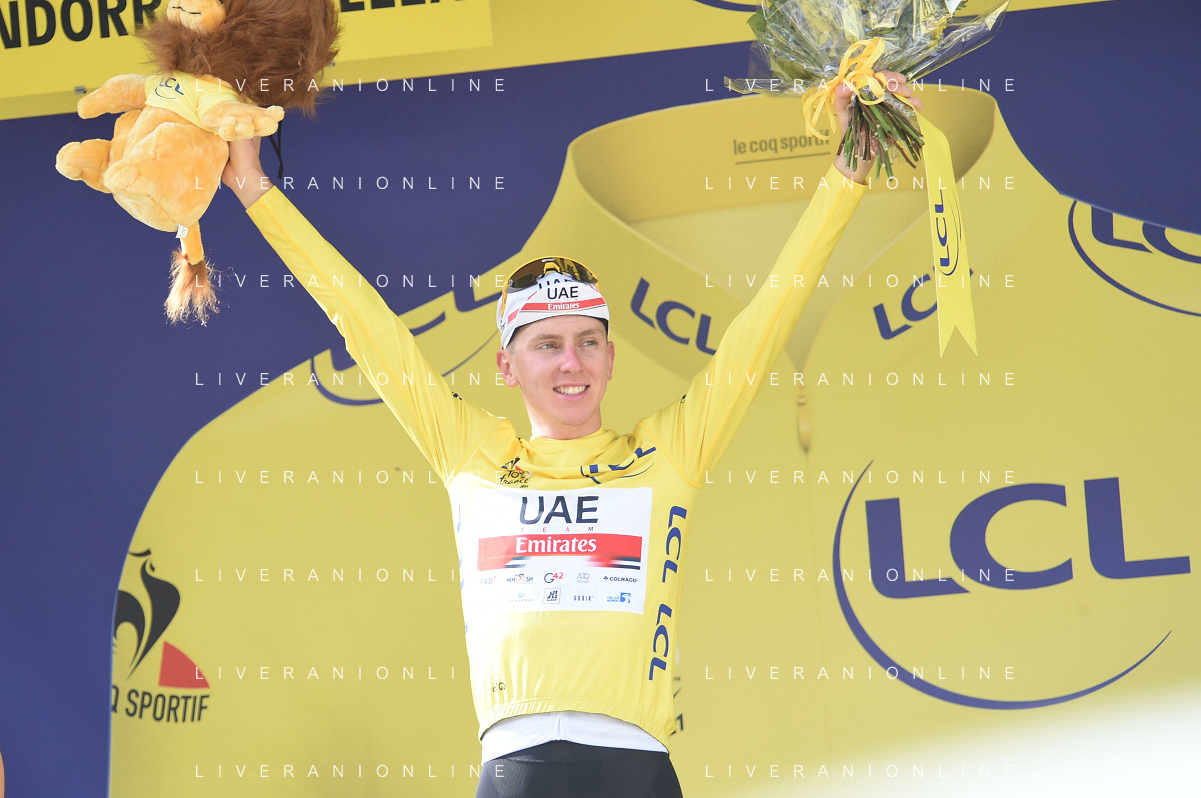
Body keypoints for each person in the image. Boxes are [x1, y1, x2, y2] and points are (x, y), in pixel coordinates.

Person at [221, 74, 919, 798]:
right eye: (547, 345)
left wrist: (848, 175)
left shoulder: (667, 453)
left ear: (612, 358)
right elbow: (366, 326)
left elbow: (767, 318)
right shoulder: (472, 453)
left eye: (588, 342)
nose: (571, 363)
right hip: (513, 767)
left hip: (633, 765)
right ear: (507, 365)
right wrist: (254, 190)